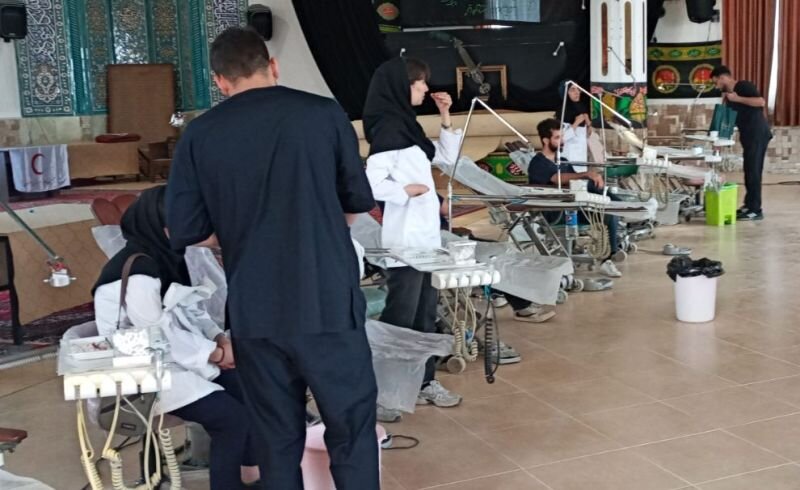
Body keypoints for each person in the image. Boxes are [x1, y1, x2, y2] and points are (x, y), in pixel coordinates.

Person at [166, 27, 379, 490]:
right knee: (351, 428)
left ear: (219, 81)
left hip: (256, 310)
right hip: (327, 301)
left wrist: (240, 236)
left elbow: (188, 229)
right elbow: (357, 202)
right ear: (273, 66)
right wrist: (317, 230)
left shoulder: (200, 134)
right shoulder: (323, 114)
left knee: (275, 439)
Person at [92, 187, 260, 489]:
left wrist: (219, 339)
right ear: (161, 226)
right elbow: (156, 336)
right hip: (147, 372)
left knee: (251, 394)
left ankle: (253, 476)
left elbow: (191, 308)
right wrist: (215, 354)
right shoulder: (139, 272)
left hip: (180, 359)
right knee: (231, 420)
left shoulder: (168, 256)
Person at [363, 57, 463, 422]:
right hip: (405, 243)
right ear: (401, 85)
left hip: (426, 240)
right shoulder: (388, 130)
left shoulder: (408, 127)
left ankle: (424, 382)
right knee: (400, 319)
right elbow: (370, 184)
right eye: (420, 83)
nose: (425, 88)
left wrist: (445, 117)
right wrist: (407, 191)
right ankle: (384, 392)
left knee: (425, 314)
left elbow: (447, 158)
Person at [528, 118, 622, 278]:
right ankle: (618, 207)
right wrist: (586, 173)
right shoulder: (538, 163)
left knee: (606, 209)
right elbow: (557, 178)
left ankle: (617, 207)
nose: (562, 141)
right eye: (557, 138)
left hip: (573, 208)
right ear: (545, 140)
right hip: (555, 212)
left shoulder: (563, 161)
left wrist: (591, 179)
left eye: (562, 137)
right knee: (605, 208)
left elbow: (577, 182)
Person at [711, 65, 772, 221]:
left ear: (722, 78)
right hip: (748, 134)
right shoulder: (728, 97)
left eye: (716, 82)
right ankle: (748, 205)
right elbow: (727, 120)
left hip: (757, 133)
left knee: (754, 170)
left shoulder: (743, 86)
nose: (716, 86)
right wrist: (718, 141)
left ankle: (755, 210)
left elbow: (761, 102)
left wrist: (737, 98)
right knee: (749, 170)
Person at [557, 81, 591, 172]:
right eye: (572, 90)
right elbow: (562, 138)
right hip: (569, 155)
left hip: (582, 155)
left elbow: (585, 135)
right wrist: (576, 123)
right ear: (565, 93)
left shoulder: (582, 107)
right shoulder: (563, 111)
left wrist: (589, 125)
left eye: (578, 89)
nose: (577, 92)